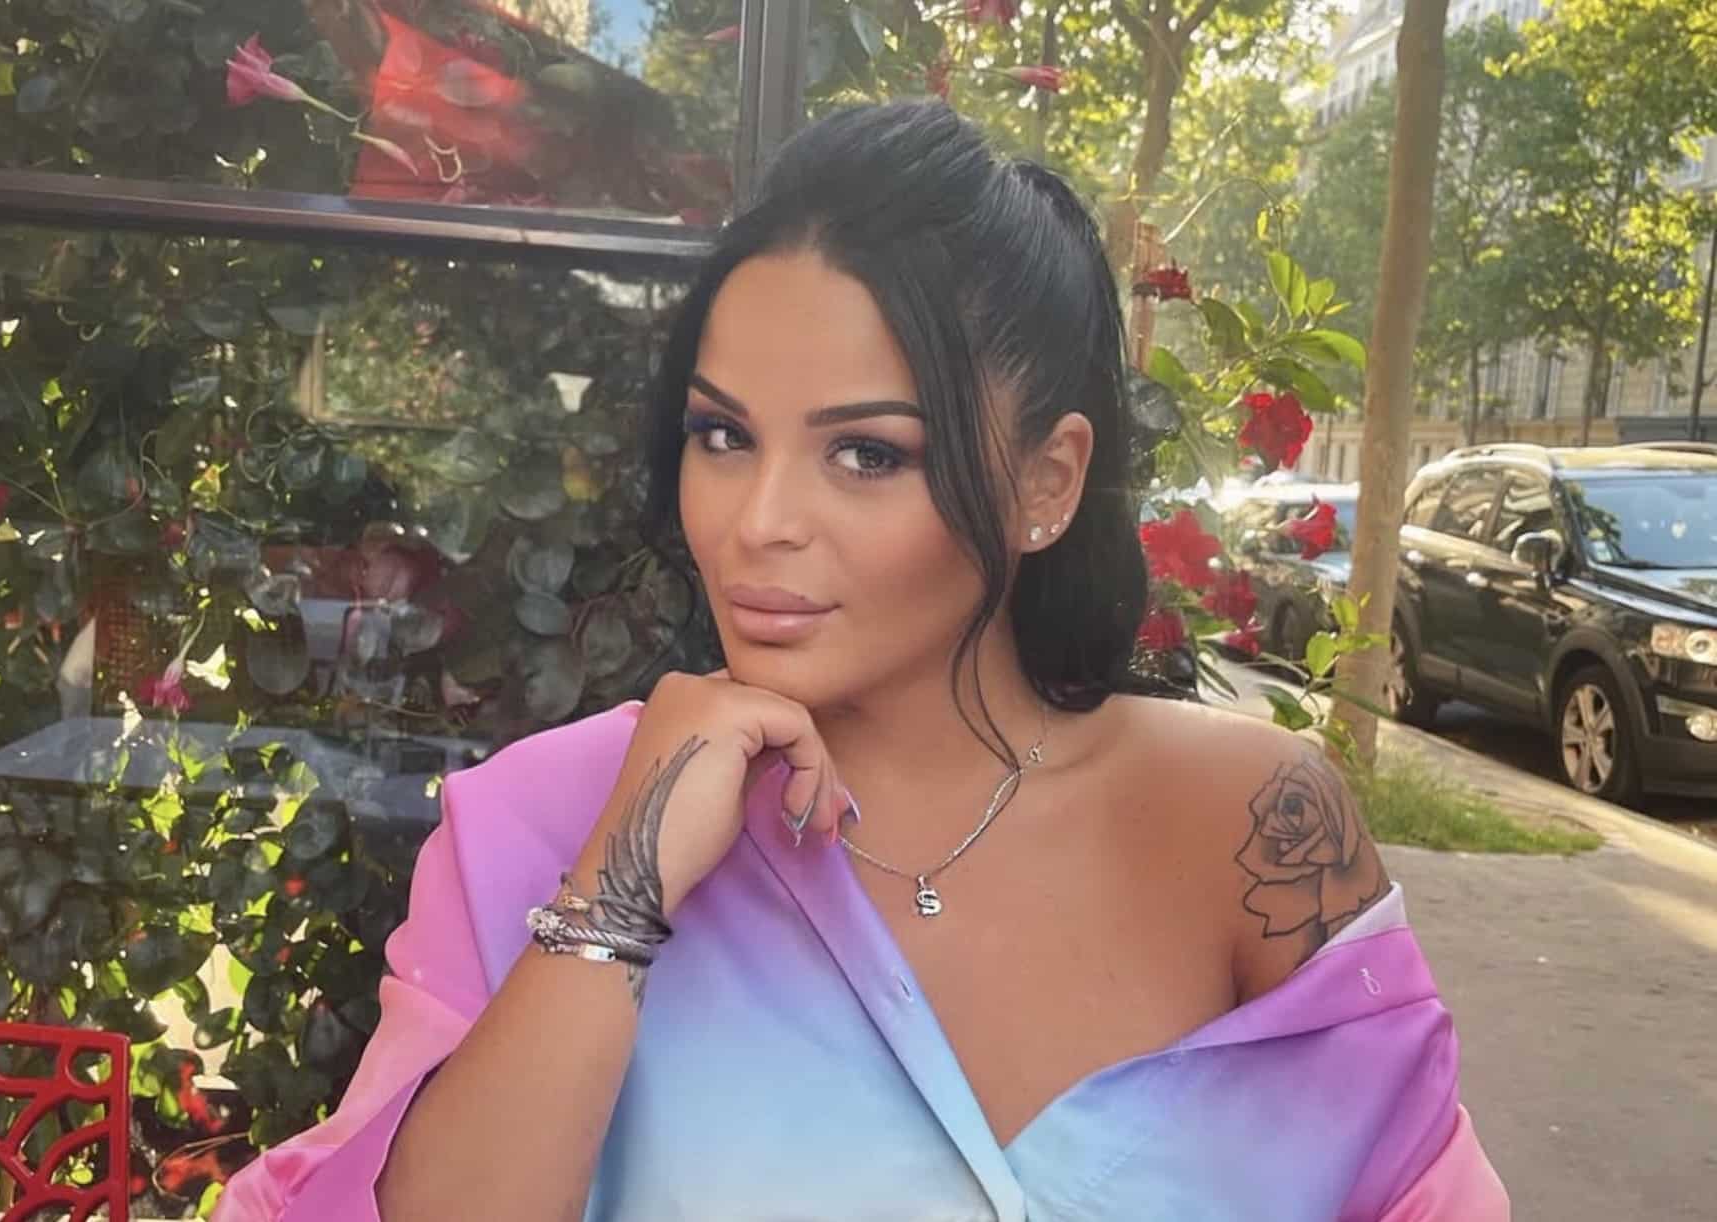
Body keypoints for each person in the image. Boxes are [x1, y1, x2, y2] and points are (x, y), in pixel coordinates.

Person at [217, 101, 1509, 1222]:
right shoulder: (544, 820)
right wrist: (615, 898)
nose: (759, 519)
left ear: (1047, 482)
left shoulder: (1249, 829)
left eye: (866, 453)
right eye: (723, 435)